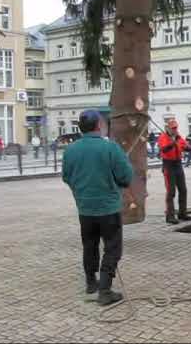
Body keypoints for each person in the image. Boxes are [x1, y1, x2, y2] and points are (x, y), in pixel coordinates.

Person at [62, 110, 133, 306]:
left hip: (85, 208)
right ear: (99, 126)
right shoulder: (110, 148)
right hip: (108, 208)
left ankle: (91, 283)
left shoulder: (70, 150)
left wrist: (81, 190)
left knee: (89, 245)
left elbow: (66, 177)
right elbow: (126, 177)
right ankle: (105, 290)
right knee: (112, 248)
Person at [158, 119, 191, 224]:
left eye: (176, 127)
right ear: (168, 128)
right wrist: (171, 144)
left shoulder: (178, 137)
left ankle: (182, 213)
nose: (175, 129)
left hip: (178, 164)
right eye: (173, 128)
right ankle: (170, 216)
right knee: (171, 191)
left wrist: (189, 148)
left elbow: (184, 146)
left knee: (183, 190)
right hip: (168, 165)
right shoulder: (163, 137)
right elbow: (163, 149)